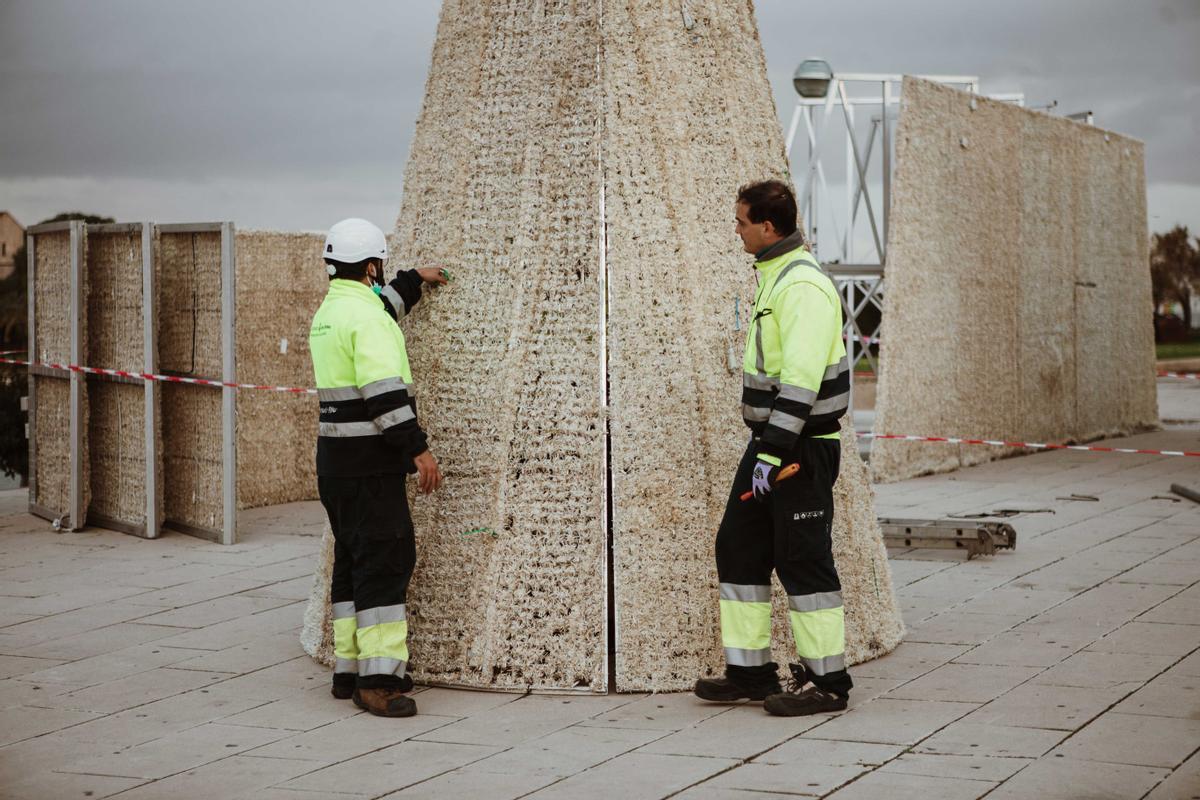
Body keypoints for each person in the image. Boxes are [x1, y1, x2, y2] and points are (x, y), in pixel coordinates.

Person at [694, 180, 853, 716]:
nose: (735, 230)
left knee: (802, 558)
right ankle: (750, 673)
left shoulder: (801, 285)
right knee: (738, 545)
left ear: (768, 226)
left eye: (741, 222)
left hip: (799, 448)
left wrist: (773, 452)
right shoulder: (774, 276)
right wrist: (765, 447)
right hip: (773, 443)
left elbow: (803, 382)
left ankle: (828, 684)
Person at [309, 218, 445, 717]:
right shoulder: (366, 321)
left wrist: (413, 279)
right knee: (385, 563)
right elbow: (384, 394)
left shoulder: (331, 312)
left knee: (351, 563)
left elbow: (380, 304)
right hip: (370, 464)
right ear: (369, 266)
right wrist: (419, 449)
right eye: (379, 267)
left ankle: (348, 670)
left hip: (335, 465)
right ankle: (380, 680)